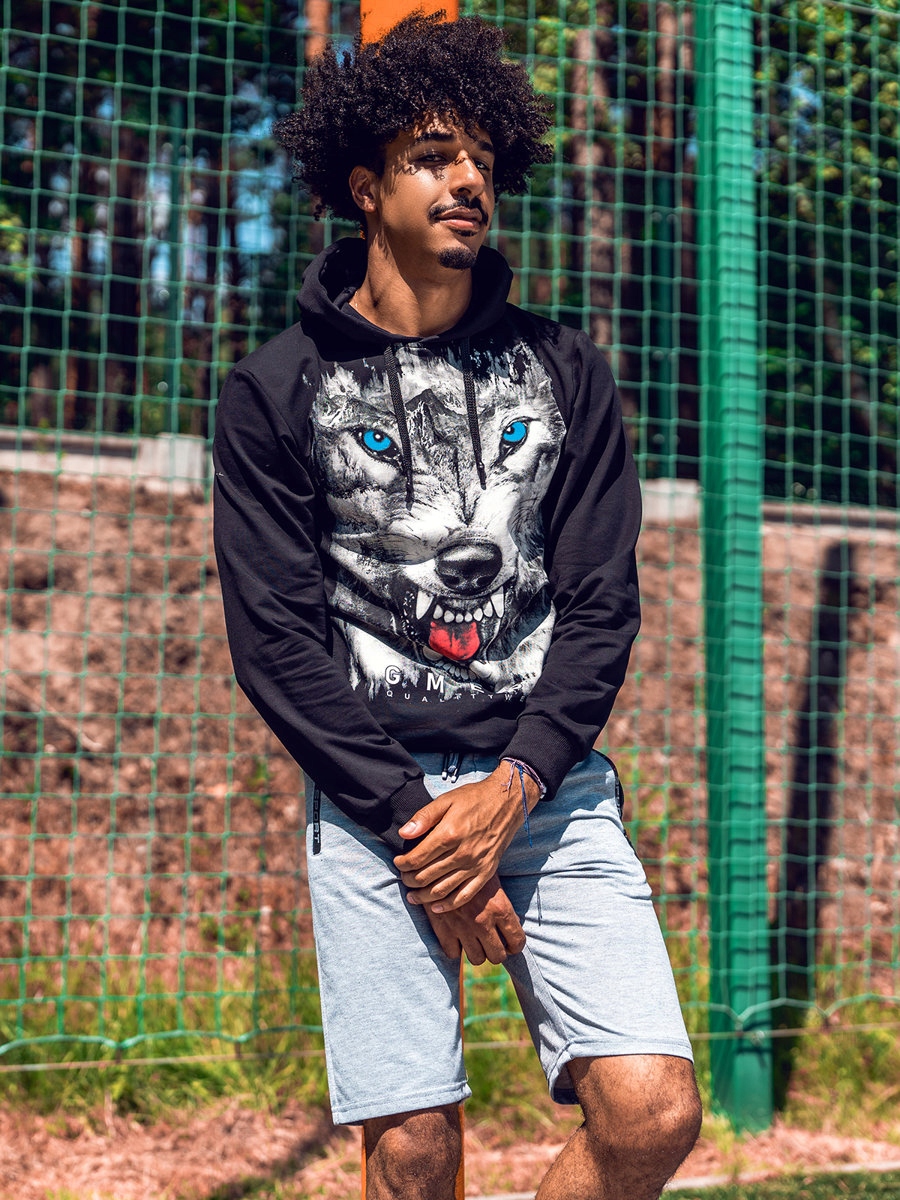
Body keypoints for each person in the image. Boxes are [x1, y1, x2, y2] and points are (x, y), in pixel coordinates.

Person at [213, 13, 701, 1199]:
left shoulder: (568, 371)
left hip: (545, 785)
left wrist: (513, 791)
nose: (467, 179)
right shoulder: (275, 389)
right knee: (415, 1152)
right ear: (366, 187)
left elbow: (601, 607)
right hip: (375, 799)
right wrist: (423, 832)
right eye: (433, 156)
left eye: (481, 157)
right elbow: (275, 644)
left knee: (652, 1115)